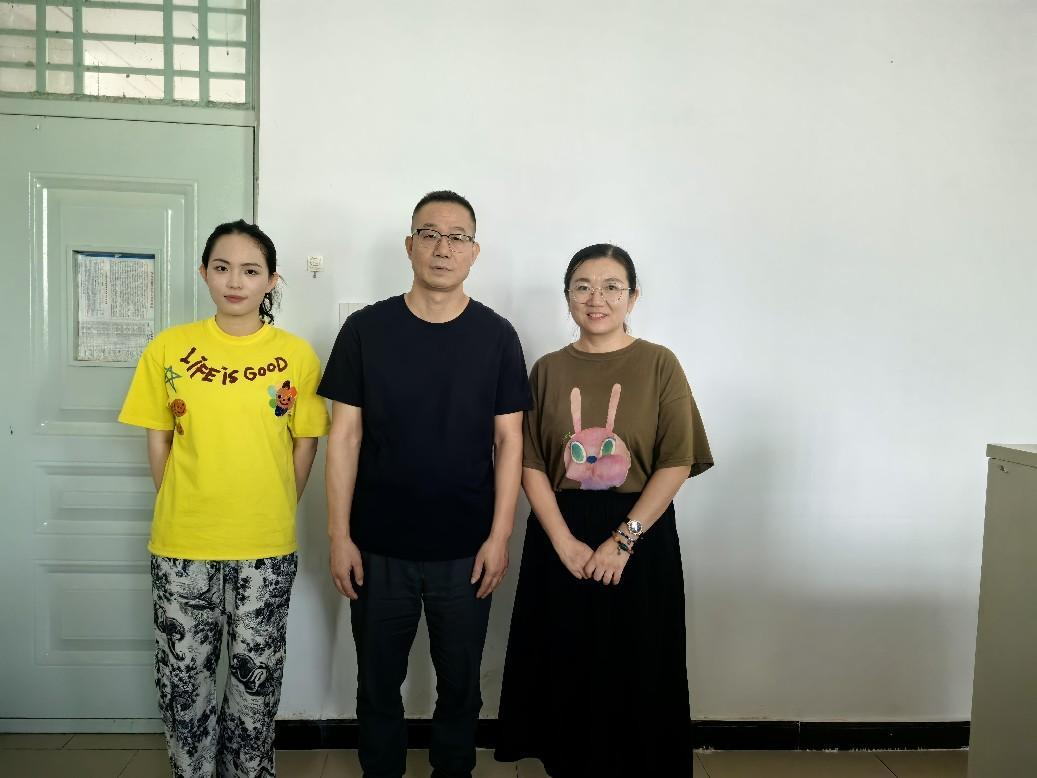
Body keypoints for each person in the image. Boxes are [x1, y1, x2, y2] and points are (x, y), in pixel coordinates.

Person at [318, 190, 530, 778]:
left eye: (457, 237)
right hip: (377, 546)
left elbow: (510, 442)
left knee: (461, 685)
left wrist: (500, 537)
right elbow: (344, 438)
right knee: (377, 682)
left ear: (474, 252)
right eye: (430, 234)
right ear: (409, 245)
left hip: (467, 548)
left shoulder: (497, 336)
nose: (443, 247)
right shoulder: (365, 330)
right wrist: (339, 536)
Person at [118, 220, 330, 777]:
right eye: (222, 268)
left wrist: (278, 503)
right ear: (204, 274)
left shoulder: (296, 355)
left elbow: (305, 443)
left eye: (250, 270)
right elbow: (159, 439)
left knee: (256, 683)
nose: (235, 281)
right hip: (181, 543)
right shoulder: (169, 348)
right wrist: (182, 501)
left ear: (271, 280)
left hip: (265, 546)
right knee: (183, 681)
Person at [494, 243, 714, 777]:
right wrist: (562, 541)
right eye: (583, 287)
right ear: (567, 296)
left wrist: (623, 539)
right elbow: (531, 462)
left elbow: (676, 460)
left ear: (633, 297)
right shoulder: (547, 369)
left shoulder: (659, 363)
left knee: (640, 663)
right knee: (564, 663)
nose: (597, 299)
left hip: (640, 532)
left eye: (612, 287)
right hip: (560, 531)